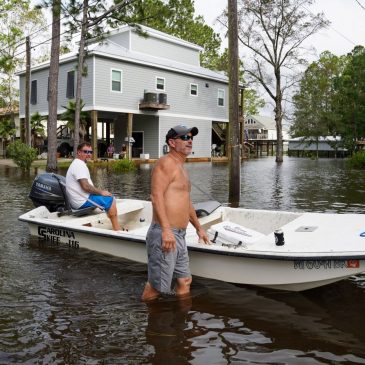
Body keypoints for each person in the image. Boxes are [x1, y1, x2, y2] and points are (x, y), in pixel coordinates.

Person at [141, 125, 210, 301]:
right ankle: (150, 323)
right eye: (185, 138)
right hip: (166, 233)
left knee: (184, 281)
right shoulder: (166, 163)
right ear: (172, 142)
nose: (190, 141)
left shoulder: (182, 168)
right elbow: (156, 196)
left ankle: (180, 322)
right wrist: (166, 230)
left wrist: (198, 227)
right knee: (157, 288)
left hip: (179, 235)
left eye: (191, 137)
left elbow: (186, 203)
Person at [65, 142, 122, 231]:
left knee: (104, 197)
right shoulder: (79, 165)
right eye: (85, 152)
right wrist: (102, 192)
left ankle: (87, 226)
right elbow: (86, 187)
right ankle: (117, 230)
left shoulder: (77, 163)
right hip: (82, 201)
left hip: (80, 199)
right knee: (110, 199)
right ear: (79, 152)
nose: (88, 154)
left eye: (90, 152)